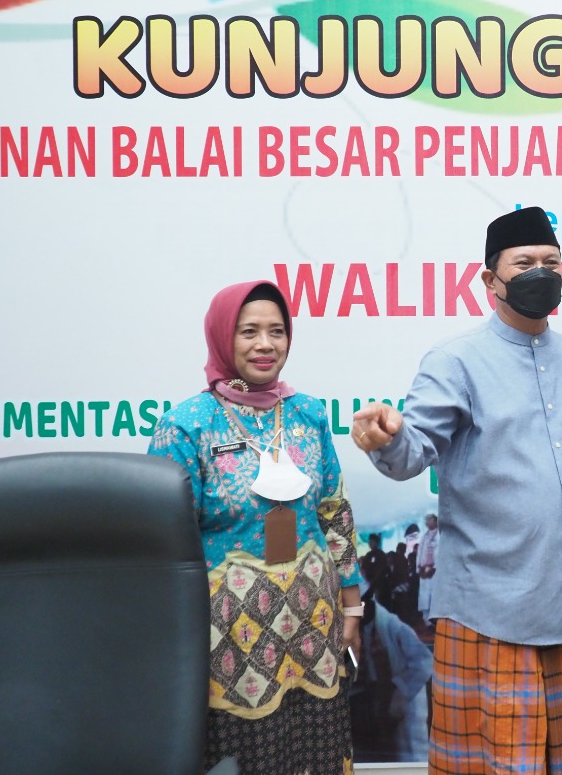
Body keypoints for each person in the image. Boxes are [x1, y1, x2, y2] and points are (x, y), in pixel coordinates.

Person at [351, 205, 562, 774]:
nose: (540, 273)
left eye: (551, 262)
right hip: (492, 612)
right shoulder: (455, 360)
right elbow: (414, 451)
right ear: (490, 279)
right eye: (524, 263)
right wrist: (388, 438)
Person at [148, 280, 364, 775]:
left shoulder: (308, 413)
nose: (265, 345)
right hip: (226, 639)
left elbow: (334, 511)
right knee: (245, 758)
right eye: (248, 332)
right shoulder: (186, 426)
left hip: (314, 626)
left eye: (276, 331)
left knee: (316, 754)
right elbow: (164, 549)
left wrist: (353, 604)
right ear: (223, 336)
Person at [348, 597, 433, 762]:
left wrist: (400, 692)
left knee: (411, 755)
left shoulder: (395, 626)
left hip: (405, 702)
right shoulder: (360, 628)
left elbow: (424, 662)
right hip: (377, 705)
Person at [417, 513, 440, 623]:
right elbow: (420, 554)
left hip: (436, 570)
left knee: (434, 595)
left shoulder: (441, 534)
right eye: (426, 520)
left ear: (436, 520)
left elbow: (441, 554)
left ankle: (435, 621)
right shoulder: (424, 536)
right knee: (424, 596)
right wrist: (419, 568)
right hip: (423, 569)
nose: (427, 522)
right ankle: (426, 621)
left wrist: (434, 568)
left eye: (429, 519)